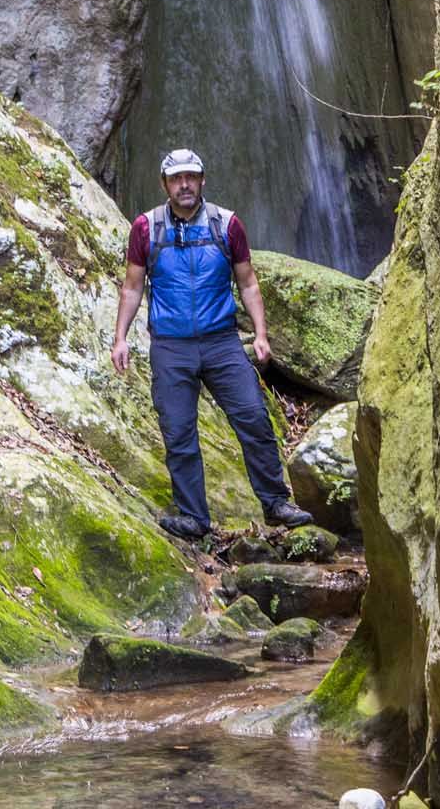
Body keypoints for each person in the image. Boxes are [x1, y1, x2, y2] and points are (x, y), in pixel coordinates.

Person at [111, 147, 313, 540]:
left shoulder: (227, 224)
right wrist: (120, 338)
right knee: (178, 431)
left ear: (202, 180)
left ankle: (276, 503)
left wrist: (261, 334)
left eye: (191, 177)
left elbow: (248, 282)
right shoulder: (146, 228)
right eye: (176, 179)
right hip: (171, 346)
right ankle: (194, 517)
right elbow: (132, 287)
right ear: (165, 185)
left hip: (221, 342)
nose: (184, 185)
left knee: (253, 417)